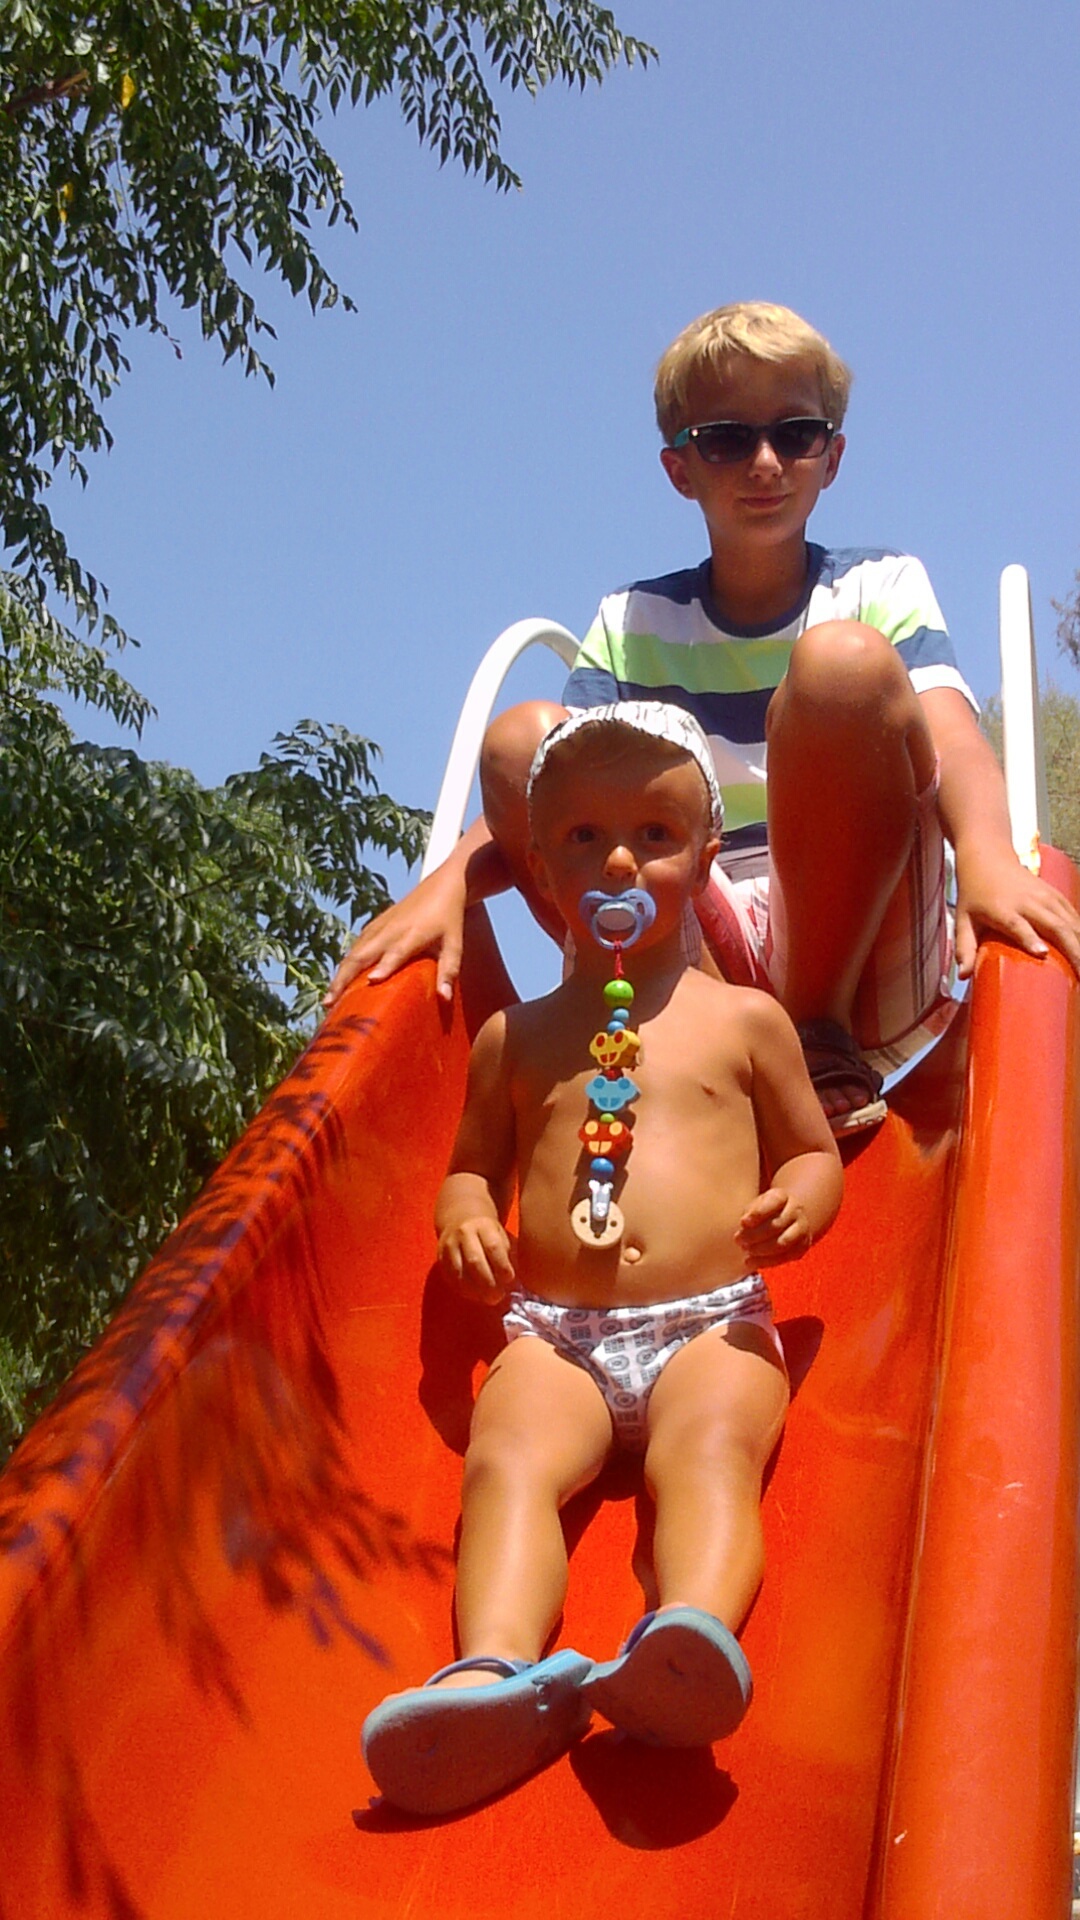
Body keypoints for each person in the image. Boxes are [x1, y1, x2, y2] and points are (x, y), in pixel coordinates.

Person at [326, 302, 1080, 1128]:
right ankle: (708, 1040)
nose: (765, 462)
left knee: (843, 665)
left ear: (831, 457)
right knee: (522, 743)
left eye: (796, 434)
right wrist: (450, 884)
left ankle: (811, 1036)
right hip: (692, 954)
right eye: (726, 440)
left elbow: (954, 742)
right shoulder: (633, 623)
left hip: (861, 957)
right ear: (680, 469)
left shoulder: (881, 585)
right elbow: (551, 798)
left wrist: (988, 856)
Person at [361, 705, 842, 1816]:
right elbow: (468, 1170)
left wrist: (802, 1202)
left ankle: (688, 1638)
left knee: (710, 1450)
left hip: (709, 1322)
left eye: (654, 835)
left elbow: (815, 1152)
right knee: (506, 1462)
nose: (619, 860)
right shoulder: (516, 1038)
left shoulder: (744, 1022)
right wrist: (465, 1219)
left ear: (706, 859)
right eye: (584, 837)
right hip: (555, 1335)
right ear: (542, 868)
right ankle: (491, 1673)